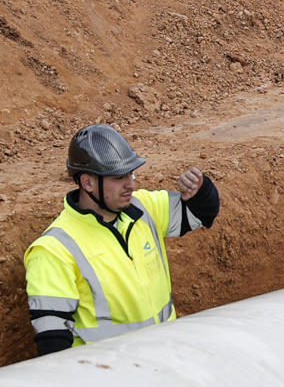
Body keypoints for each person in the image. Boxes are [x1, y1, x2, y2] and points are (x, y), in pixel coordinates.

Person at [23, 124, 220, 355]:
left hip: (165, 359)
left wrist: (200, 190)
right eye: (119, 177)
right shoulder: (54, 250)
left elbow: (202, 214)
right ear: (87, 183)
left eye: (131, 173)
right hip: (110, 379)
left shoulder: (142, 208)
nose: (131, 185)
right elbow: (53, 344)